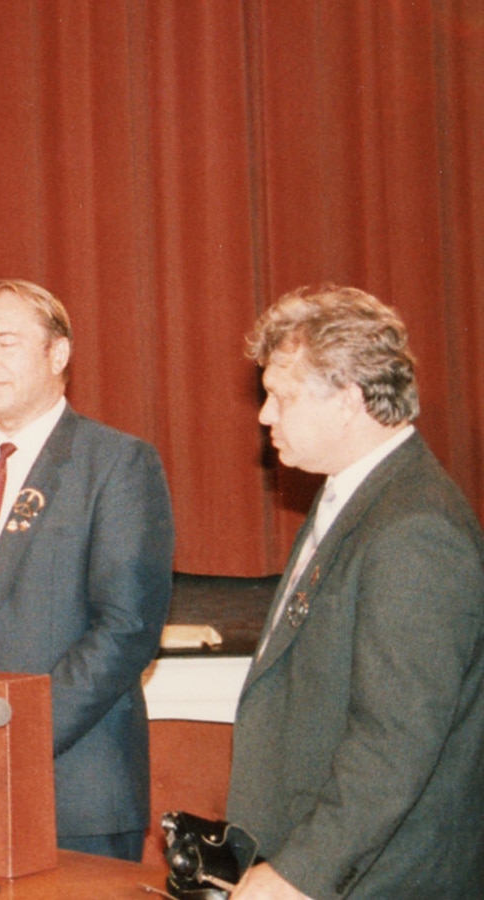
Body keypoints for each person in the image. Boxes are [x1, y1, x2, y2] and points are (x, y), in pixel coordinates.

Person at [0, 279, 174, 861]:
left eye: (5, 342)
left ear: (59, 354)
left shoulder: (117, 462)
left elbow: (125, 628)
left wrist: (13, 738)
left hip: (75, 790)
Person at [226, 286, 484, 898]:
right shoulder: (356, 496)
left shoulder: (415, 530)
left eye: (280, 397)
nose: (265, 415)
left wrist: (299, 872)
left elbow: (394, 744)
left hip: (384, 879)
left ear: (348, 401)